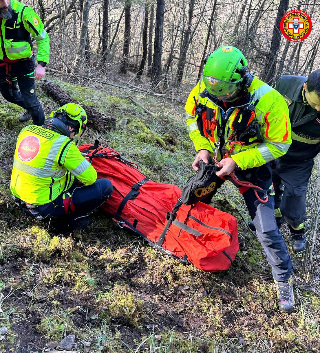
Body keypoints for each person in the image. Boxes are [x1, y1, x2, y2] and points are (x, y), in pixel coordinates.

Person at [184, 46, 294, 313]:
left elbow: (280, 144)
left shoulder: (269, 100)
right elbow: (190, 118)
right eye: (216, 93)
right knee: (192, 198)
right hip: (216, 158)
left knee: (266, 229)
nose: (222, 98)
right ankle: (189, 240)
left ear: (242, 78)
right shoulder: (206, 88)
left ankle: (284, 280)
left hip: (249, 166)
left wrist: (240, 161)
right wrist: (202, 147)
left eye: (228, 93)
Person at [10, 103, 113, 232]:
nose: (73, 136)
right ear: (71, 128)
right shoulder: (64, 145)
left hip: (18, 197)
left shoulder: (27, 130)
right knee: (105, 187)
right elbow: (91, 178)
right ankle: (67, 223)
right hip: (42, 208)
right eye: (75, 132)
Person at [272, 69, 320, 253]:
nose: (318, 110)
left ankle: (297, 231)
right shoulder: (285, 84)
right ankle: (273, 218)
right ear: (305, 87)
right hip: (273, 151)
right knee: (269, 187)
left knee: (294, 197)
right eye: (315, 103)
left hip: (300, 159)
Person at [0, 0, 50, 126]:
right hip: (3, 65)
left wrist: (41, 64)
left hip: (23, 64)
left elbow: (43, 38)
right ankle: (29, 108)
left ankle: (41, 129)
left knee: (30, 100)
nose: (5, 3)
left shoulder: (24, 12)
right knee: (9, 95)